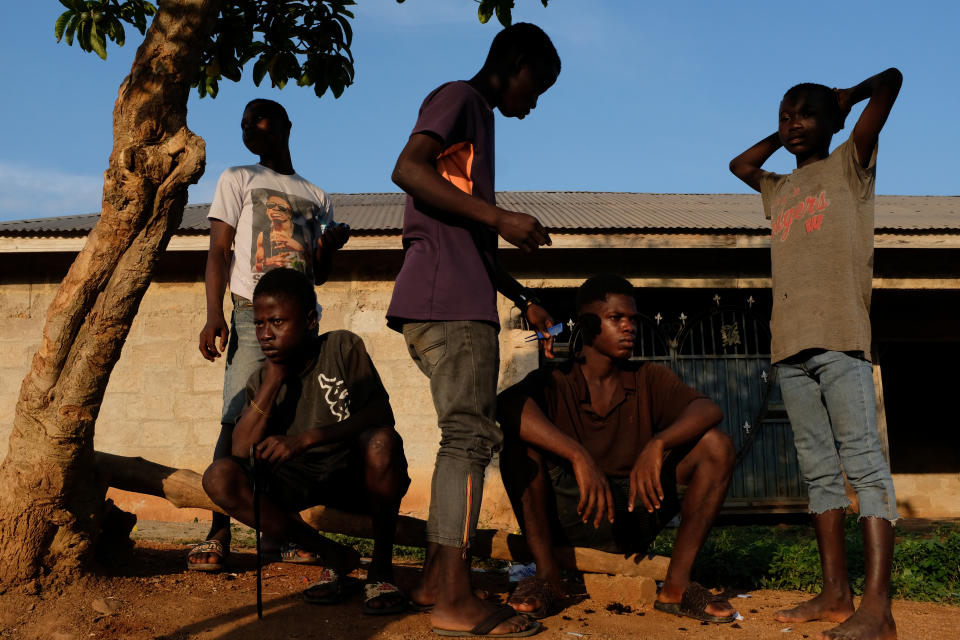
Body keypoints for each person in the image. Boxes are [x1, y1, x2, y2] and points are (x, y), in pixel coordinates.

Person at [386, 22, 561, 638]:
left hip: (459, 299)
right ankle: (455, 601)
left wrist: (520, 297)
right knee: (467, 439)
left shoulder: (477, 123)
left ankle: (437, 580)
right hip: (447, 306)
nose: (534, 102)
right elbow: (407, 170)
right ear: (514, 64)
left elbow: (470, 235)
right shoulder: (460, 98)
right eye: (536, 86)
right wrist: (500, 214)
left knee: (463, 437)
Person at [729, 68, 903, 640]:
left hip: (841, 338)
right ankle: (835, 594)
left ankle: (877, 609)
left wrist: (846, 98)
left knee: (865, 465)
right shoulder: (779, 188)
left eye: (805, 114)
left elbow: (893, 80)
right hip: (789, 345)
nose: (794, 123)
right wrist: (784, 134)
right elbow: (740, 166)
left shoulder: (851, 161)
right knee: (820, 472)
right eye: (785, 115)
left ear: (835, 122)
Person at [497, 275, 737, 623]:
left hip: (633, 516)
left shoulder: (648, 377)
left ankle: (677, 585)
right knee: (518, 447)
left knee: (717, 445)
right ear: (587, 325)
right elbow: (507, 407)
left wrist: (658, 443)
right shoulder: (554, 381)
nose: (629, 328)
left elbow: (708, 410)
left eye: (633, 320)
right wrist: (577, 455)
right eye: (616, 318)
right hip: (570, 515)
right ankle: (548, 577)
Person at [191, 98, 350, 571]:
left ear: (284, 125)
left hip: (304, 319)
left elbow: (318, 273)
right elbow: (219, 251)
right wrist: (213, 313)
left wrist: (327, 246)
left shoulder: (317, 194)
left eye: (256, 121)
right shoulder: (237, 178)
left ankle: (277, 536)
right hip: (249, 312)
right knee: (236, 414)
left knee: (287, 422)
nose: (247, 130)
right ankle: (218, 534)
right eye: (242, 125)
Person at [201, 268, 410, 614]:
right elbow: (239, 450)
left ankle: (380, 569)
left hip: (356, 477)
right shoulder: (259, 381)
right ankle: (333, 555)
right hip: (302, 486)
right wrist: (274, 380)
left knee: (381, 442)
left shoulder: (341, 347)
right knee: (218, 478)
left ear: (310, 320)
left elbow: (380, 414)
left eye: (278, 322)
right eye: (259, 324)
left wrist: (306, 439)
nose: (266, 334)